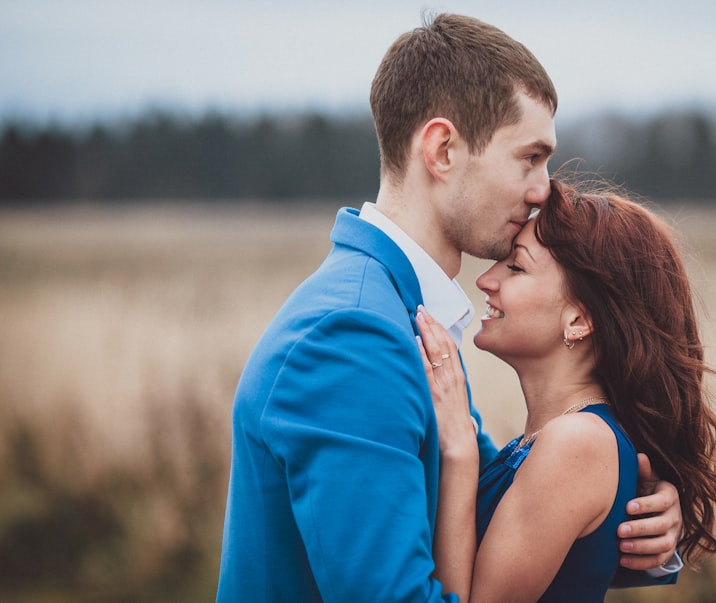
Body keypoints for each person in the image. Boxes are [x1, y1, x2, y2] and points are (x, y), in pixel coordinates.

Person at [217, 13, 683, 602]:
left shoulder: (406, 317)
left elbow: (502, 516)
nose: (543, 189)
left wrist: (634, 531)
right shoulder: (351, 336)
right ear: (442, 150)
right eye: (528, 158)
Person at [416, 178, 716, 602]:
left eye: (516, 267)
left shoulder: (577, 443)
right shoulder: (553, 440)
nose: (486, 280)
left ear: (579, 321)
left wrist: (457, 448)